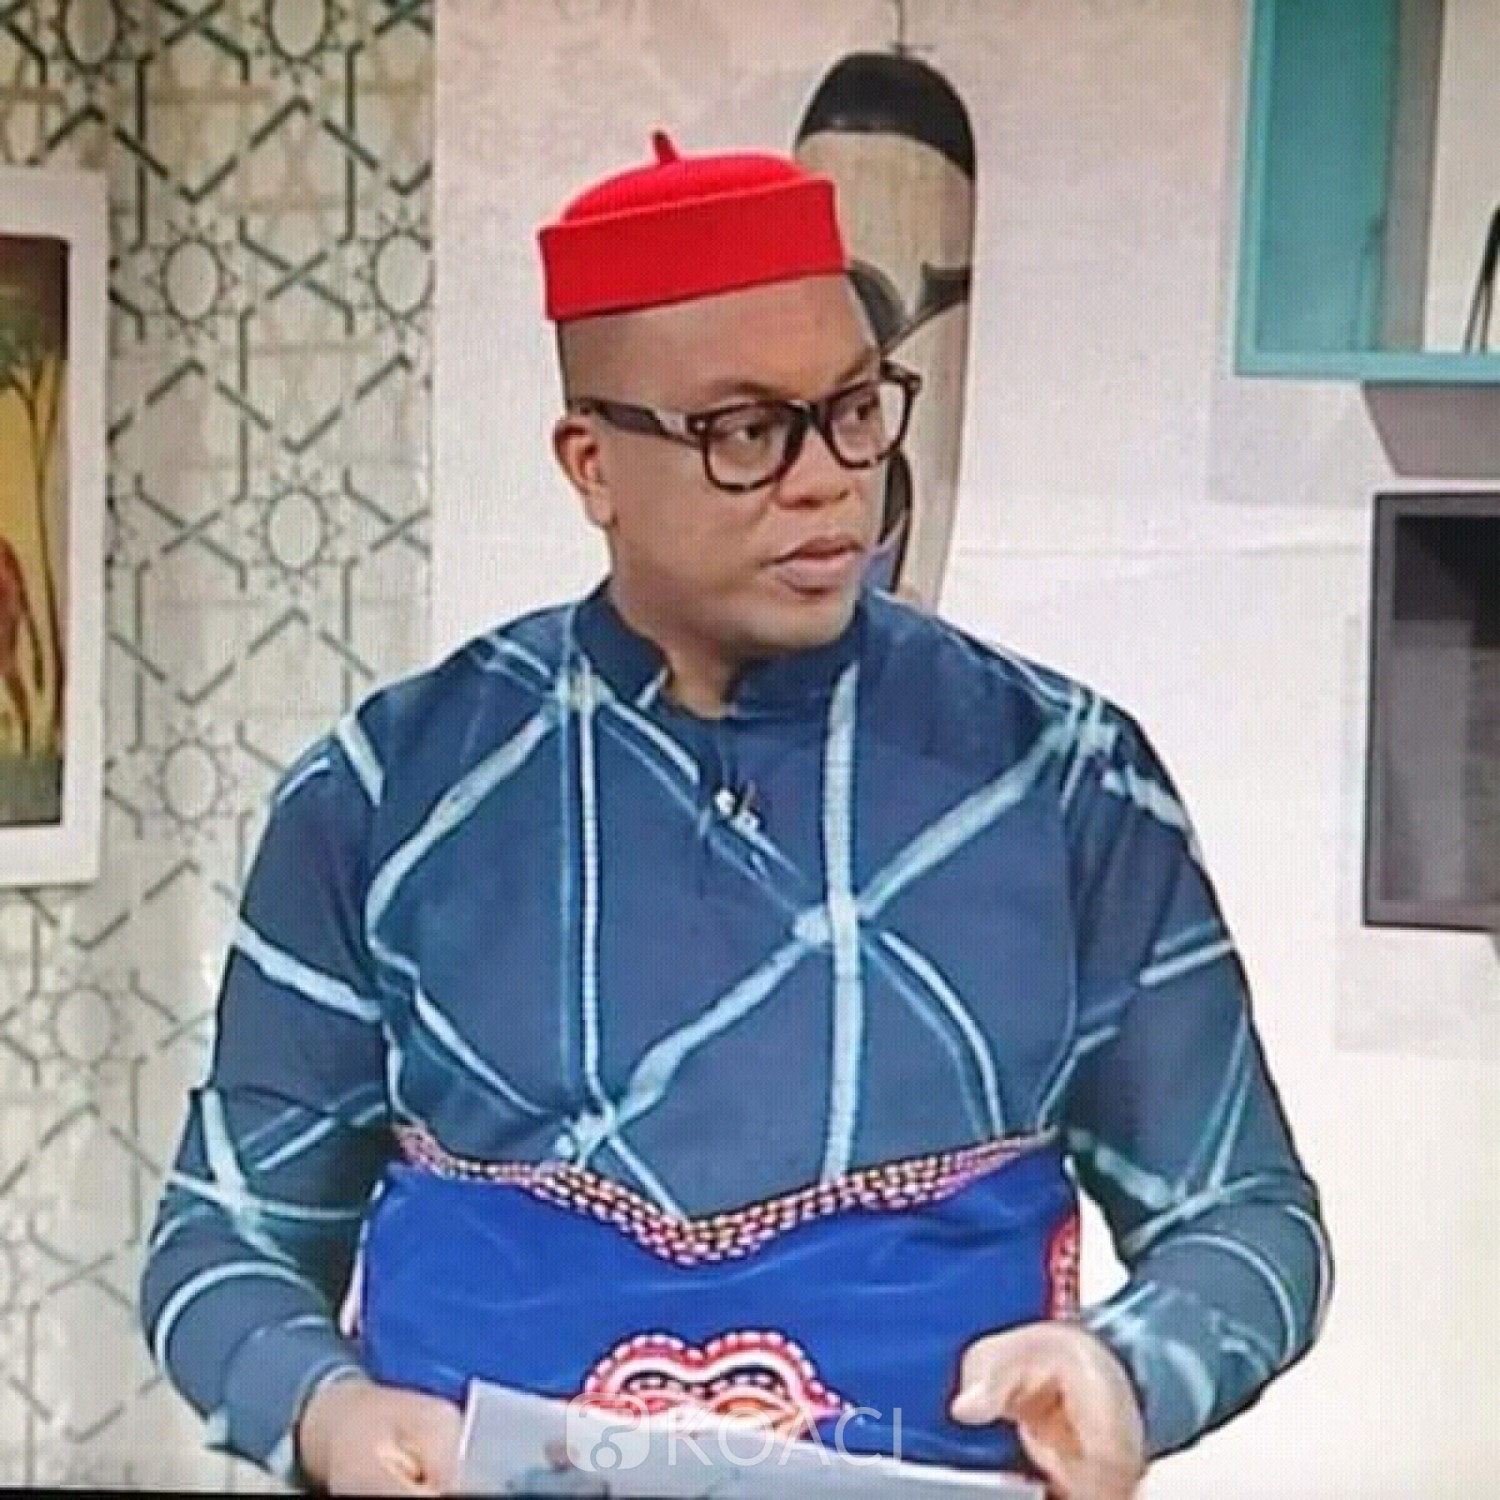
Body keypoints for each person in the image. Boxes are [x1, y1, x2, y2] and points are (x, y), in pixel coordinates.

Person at [140, 131, 1331, 1499]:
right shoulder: (384, 791)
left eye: (855, 409)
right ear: (592, 464)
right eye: (746, 433)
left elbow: (1249, 1218)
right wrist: (326, 1413)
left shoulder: (1062, 778)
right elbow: (222, 1242)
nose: (828, 478)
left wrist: (1128, 1367)